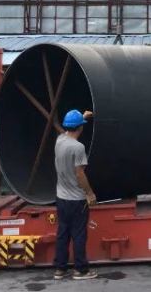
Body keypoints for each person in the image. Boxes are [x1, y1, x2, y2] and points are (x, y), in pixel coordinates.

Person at [53, 109, 97, 280]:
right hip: (77, 199)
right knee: (79, 235)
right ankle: (81, 270)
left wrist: (81, 118)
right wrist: (90, 193)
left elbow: (68, 132)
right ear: (80, 128)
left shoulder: (60, 140)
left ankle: (60, 269)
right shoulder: (78, 148)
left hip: (61, 197)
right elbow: (80, 174)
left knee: (62, 233)